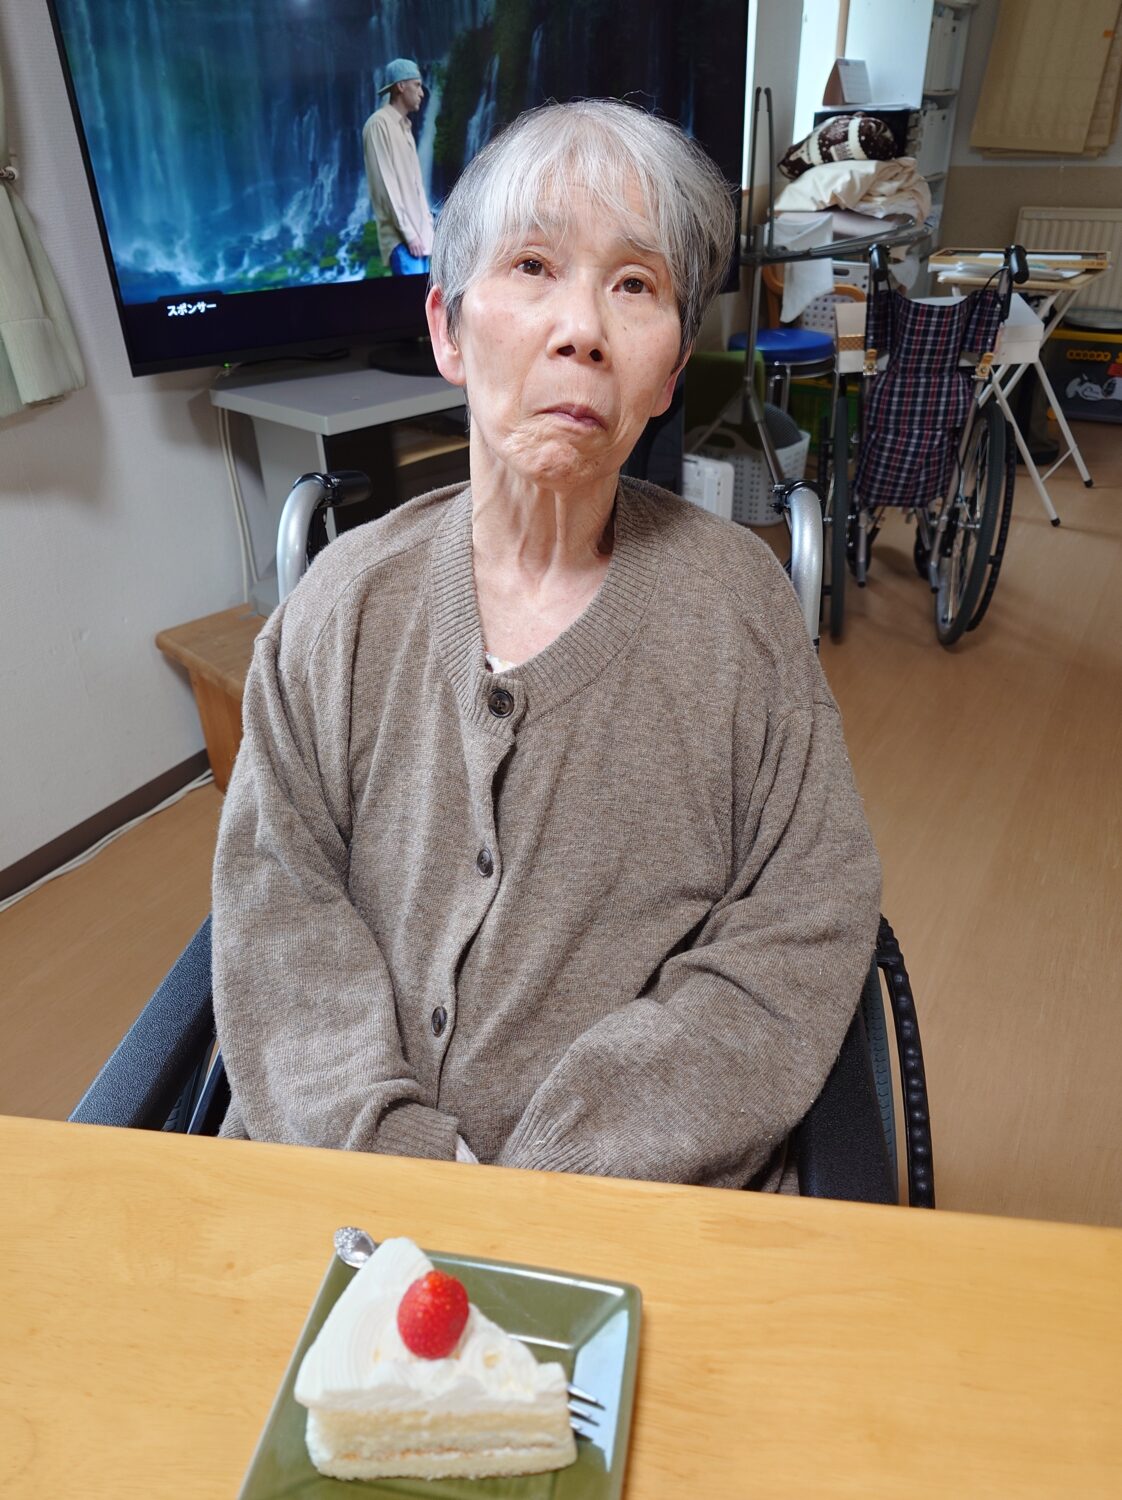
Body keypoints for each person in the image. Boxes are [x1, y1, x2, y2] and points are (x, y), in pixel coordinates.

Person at [212, 101, 881, 1191]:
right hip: (331, 1188)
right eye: (533, 266)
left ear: (668, 374)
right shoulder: (340, 607)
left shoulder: (739, 617)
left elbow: (803, 922)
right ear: (448, 329)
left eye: (636, 285)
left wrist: (560, 1174)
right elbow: (276, 906)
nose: (583, 330)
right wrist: (394, 1154)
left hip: (627, 1207)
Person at [362, 57, 434, 276]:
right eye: (417, 85)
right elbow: (386, 187)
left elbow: (416, 186)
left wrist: (428, 229)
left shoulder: (405, 127)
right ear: (401, 86)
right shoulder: (378, 125)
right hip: (405, 243)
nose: (422, 93)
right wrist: (409, 234)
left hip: (422, 240)